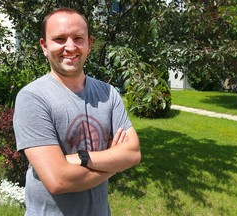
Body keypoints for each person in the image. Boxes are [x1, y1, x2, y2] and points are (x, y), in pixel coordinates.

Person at [13, 7, 141, 216]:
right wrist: (115, 162)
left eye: (78, 38)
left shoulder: (108, 93)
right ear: (44, 46)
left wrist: (79, 158)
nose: (70, 47)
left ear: (89, 44)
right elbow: (59, 180)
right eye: (60, 39)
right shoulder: (33, 98)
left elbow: (133, 153)